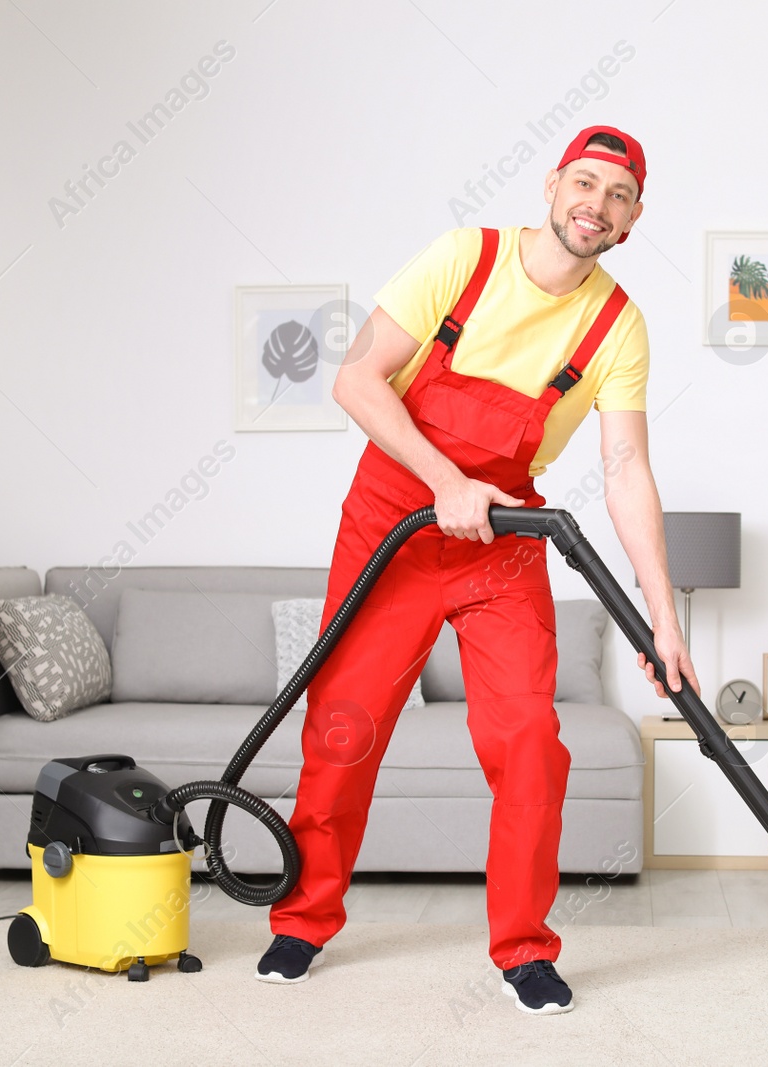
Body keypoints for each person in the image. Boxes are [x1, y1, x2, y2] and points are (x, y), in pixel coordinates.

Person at [256, 125, 697, 1015]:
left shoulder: (618, 325)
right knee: (344, 726)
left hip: (500, 537)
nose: (596, 204)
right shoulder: (466, 258)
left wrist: (663, 616)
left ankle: (525, 948)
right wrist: (444, 479)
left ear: (633, 220)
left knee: (530, 741)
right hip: (396, 519)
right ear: (551, 185)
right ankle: (302, 921)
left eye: (617, 195)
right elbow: (356, 379)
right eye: (585, 182)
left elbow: (626, 472)